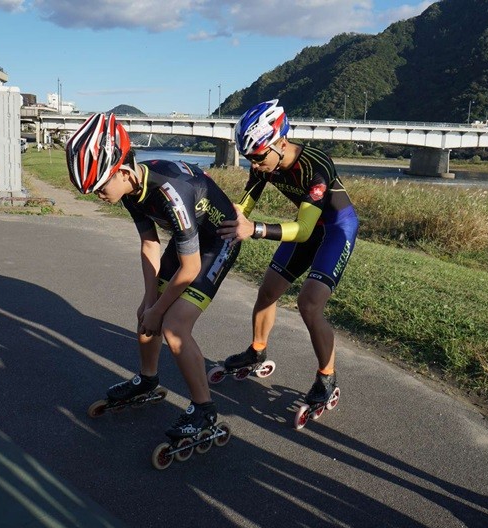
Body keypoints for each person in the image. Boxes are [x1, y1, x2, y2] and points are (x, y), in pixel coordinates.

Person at [66, 113, 241, 439]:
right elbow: (149, 242)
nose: (98, 195)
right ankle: (147, 379)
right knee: (145, 313)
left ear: (123, 171)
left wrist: (159, 310)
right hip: (188, 240)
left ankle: (204, 409)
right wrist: (150, 301)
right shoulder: (129, 188)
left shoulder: (169, 192)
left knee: (173, 328)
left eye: (100, 187)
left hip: (219, 242)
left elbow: (190, 269)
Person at [217, 99, 359, 407]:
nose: (253, 164)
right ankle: (257, 350)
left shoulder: (316, 166)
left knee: (309, 303)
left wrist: (254, 229)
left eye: (256, 156)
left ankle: (326, 376)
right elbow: (245, 204)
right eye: (247, 157)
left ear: (281, 142)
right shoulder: (264, 163)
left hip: (336, 229)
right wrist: (229, 222)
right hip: (306, 228)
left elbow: (305, 230)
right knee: (267, 290)